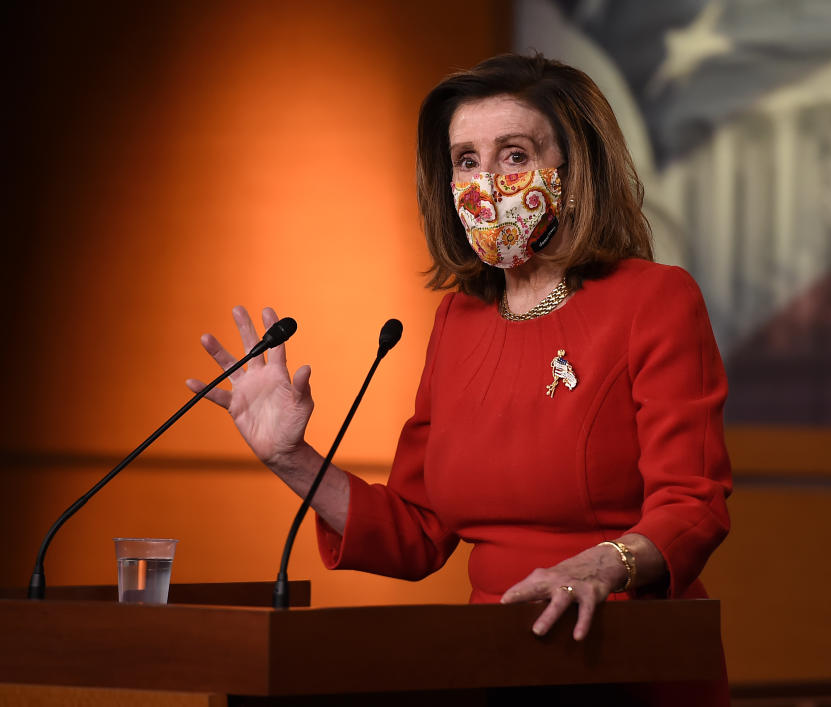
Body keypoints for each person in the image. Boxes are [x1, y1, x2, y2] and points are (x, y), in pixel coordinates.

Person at [188, 53, 732, 701]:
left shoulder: (655, 299)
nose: (486, 182)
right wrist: (290, 456)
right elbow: (415, 531)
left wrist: (596, 567)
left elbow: (693, 505)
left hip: (625, 656)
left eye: (513, 155)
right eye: (467, 161)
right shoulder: (459, 319)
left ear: (575, 166)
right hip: (489, 662)